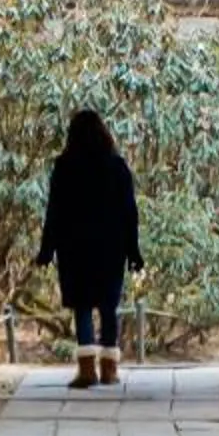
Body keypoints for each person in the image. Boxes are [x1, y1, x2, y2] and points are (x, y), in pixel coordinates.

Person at [35, 109, 142, 387]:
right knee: (108, 307)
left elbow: (55, 211)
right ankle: (109, 369)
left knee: (81, 306)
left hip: (75, 248)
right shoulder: (117, 167)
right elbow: (129, 213)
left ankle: (86, 370)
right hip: (111, 249)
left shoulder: (65, 166)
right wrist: (133, 251)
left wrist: (47, 249)